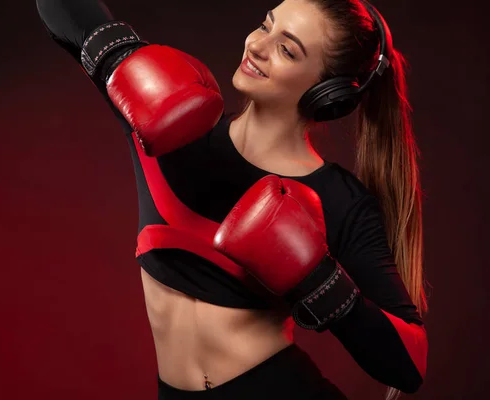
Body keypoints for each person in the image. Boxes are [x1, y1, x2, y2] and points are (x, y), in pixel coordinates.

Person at [35, 0, 429, 398]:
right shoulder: (168, 122)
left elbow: (408, 365)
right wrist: (119, 56)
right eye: (265, 25)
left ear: (327, 94)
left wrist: (320, 280)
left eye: (287, 49)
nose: (258, 46)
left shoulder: (337, 199)